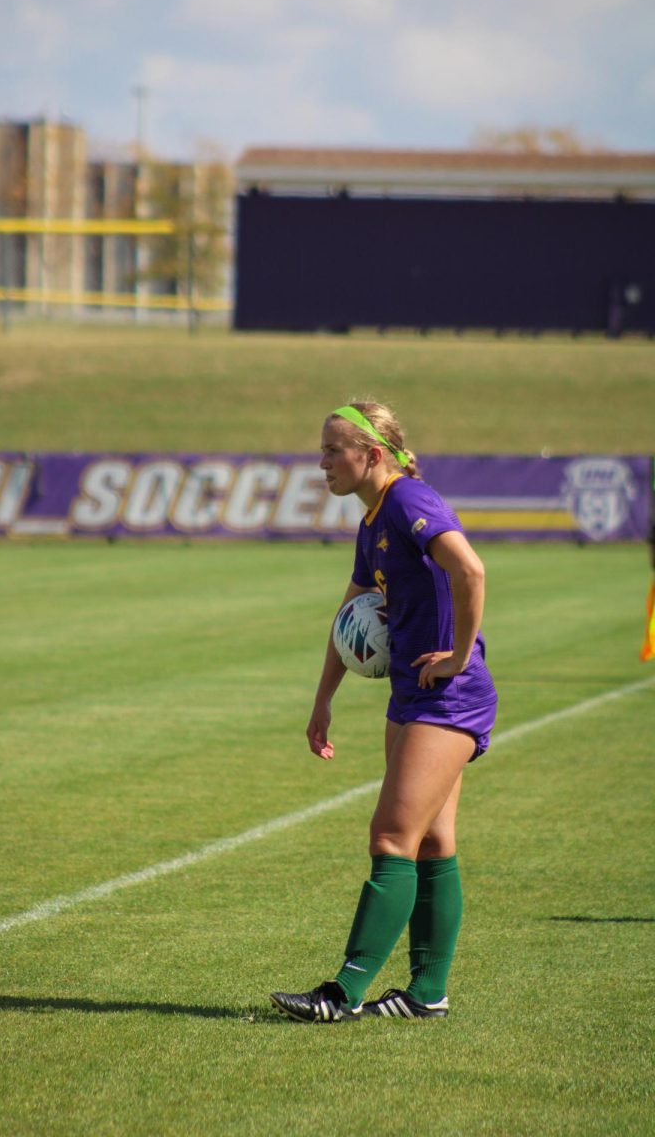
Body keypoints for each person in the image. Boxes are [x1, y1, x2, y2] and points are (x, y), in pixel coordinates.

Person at [270, 401, 498, 1023]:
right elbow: (349, 619)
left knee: (391, 838)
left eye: (331, 451)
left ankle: (341, 995)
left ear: (371, 454)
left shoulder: (407, 502)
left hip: (447, 696)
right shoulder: (372, 521)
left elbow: (470, 571)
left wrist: (457, 656)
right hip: (411, 695)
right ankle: (427, 995)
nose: (322, 464)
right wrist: (324, 698)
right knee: (431, 841)